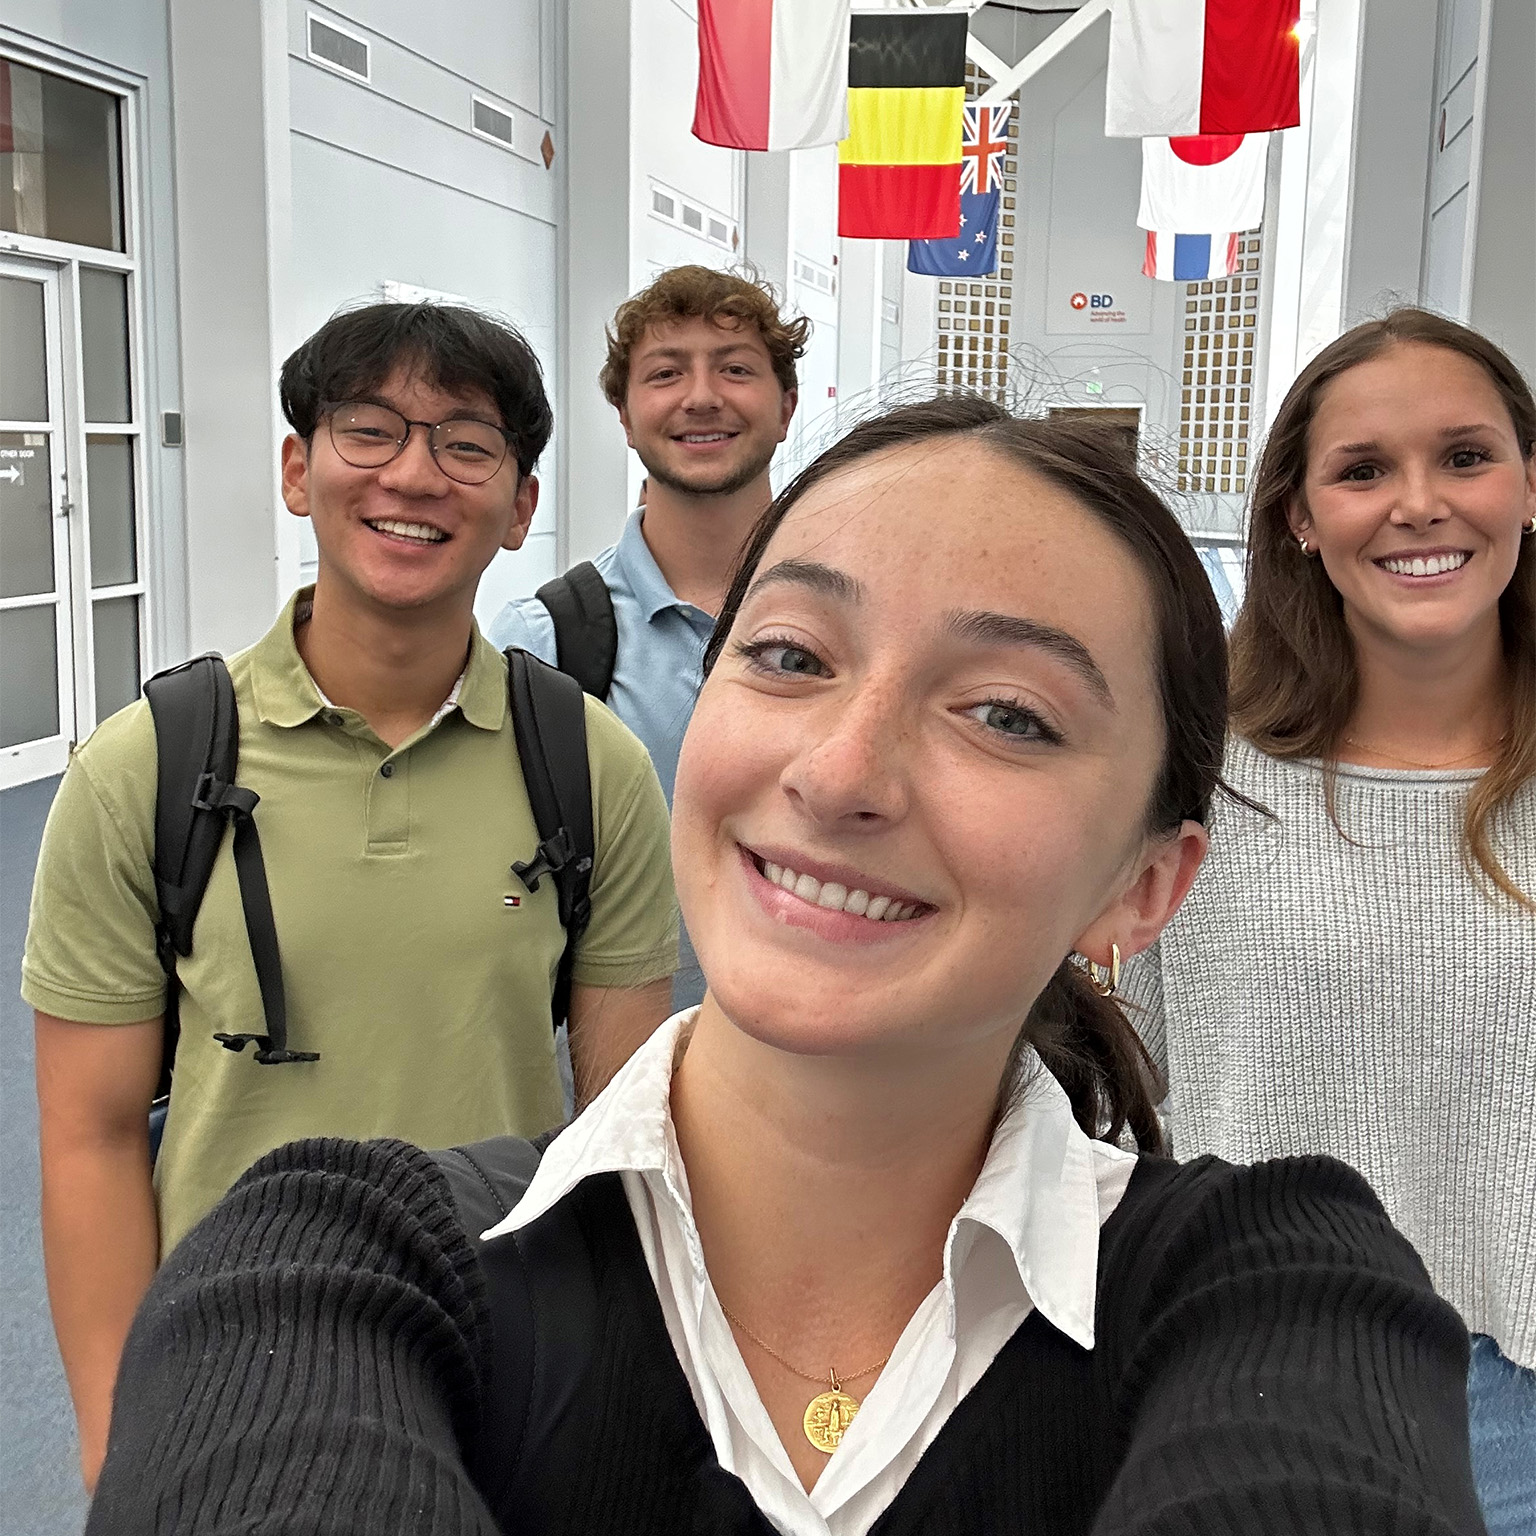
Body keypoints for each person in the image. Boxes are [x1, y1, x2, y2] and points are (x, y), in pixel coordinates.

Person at [88, 398, 1484, 1535]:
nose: (839, 772)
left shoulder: (1284, 1295)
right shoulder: (326, 1264)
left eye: (1007, 713)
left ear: (1143, 885)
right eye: (790, 655)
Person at [22, 301, 679, 1492]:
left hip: (509, 1351)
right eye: (369, 430)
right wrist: (120, 1439)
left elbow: (622, 1126)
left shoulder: (593, 769)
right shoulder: (144, 770)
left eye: (466, 444)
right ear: (298, 469)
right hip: (231, 1351)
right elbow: (90, 1136)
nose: (413, 475)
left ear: (520, 505)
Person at [1121, 309, 1535, 1533]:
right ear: (1299, 518)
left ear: (1528, 486)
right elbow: (1124, 1084)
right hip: (1250, 1365)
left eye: (1465, 457)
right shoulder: (1194, 777)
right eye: (1363, 471)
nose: (1420, 504)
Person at [490, 265, 806, 1008]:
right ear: (626, 418)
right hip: (614, 1061)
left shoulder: (866, 621)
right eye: (666, 373)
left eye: (735, 369)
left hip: (822, 1046)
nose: (701, 396)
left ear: (786, 406)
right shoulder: (546, 641)